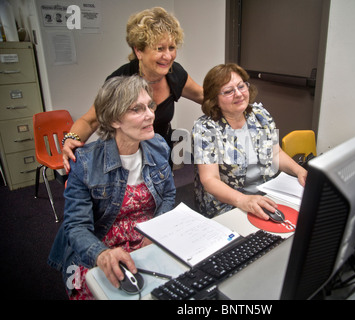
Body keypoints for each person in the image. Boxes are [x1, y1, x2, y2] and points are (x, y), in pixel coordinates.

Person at [48, 75, 176, 300]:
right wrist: (101, 254)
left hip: (148, 238)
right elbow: (76, 226)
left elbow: (168, 194)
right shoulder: (86, 163)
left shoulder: (158, 146)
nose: (150, 115)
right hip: (100, 246)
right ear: (115, 119)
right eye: (137, 109)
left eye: (150, 105)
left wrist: (156, 230)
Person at [62, 7, 203, 173]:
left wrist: (237, 98)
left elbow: (203, 96)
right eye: (160, 49)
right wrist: (71, 138)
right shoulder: (120, 80)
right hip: (127, 156)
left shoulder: (175, 74)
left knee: (162, 195)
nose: (168, 56)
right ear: (138, 50)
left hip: (161, 152)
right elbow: (90, 120)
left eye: (171, 48)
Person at [192, 63, 308, 219]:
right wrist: (243, 200)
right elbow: (209, 180)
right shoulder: (205, 128)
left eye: (241, 86)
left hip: (267, 194)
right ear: (214, 99)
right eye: (228, 91)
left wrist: (299, 171)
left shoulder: (260, 114)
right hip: (228, 203)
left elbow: (276, 154)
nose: (239, 94)